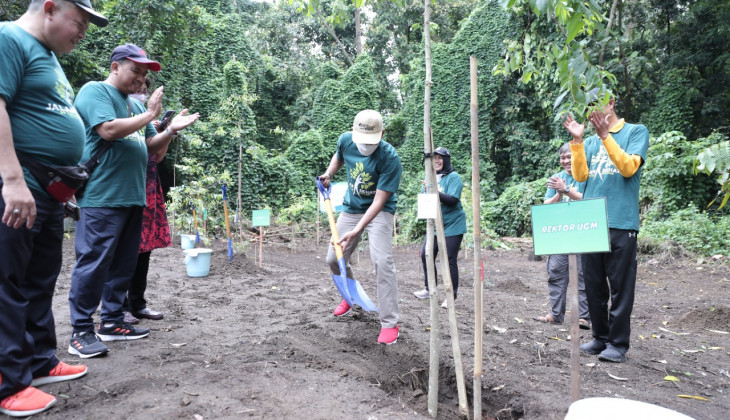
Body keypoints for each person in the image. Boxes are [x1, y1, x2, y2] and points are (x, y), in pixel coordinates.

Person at [0, 0, 107, 416]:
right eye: (78, 22)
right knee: (8, 280)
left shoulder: (47, 56)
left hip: (48, 192)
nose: (82, 33)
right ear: (49, 8)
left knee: (40, 279)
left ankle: (39, 360)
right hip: (18, 186)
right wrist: (11, 181)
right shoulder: (10, 38)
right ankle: (9, 383)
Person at [67, 44, 199, 358]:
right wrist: (153, 114)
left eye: (145, 74)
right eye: (135, 71)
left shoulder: (137, 108)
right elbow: (108, 130)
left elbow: (153, 150)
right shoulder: (95, 92)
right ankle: (81, 330)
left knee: (124, 264)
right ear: (115, 67)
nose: (141, 79)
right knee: (94, 262)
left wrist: (168, 131)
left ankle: (112, 322)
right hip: (102, 196)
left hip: (133, 196)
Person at [563, 89, 649, 363]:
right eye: (588, 107)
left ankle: (618, 344)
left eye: (597, 105)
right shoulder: (587, 141)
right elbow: (579, 175)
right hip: (592, 221)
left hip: (621, 221)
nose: (592, 112)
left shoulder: (636, 132)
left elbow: (628, 168)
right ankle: (600, 338)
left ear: (611, 104)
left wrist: (605, 137)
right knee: (594, 284)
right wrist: (577, 142)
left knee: (621, 286)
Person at [319, 109, 403, 345]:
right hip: (352, 207)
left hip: (380, 211)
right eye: (361, 141)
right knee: (334, 258)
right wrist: (328, 174)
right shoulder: (346, 140)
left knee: (382, 260)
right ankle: (349, 295)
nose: (364, 146)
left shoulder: (389, 157)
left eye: (370, 142)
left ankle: (389, 322)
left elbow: (379, 201)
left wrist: (357, 231)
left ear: (382, 134)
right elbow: (338, 157)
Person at [122, 77, 169, 325]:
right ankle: (120, 307)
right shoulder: (121, 111)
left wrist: (166, 131)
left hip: (148, 188)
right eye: (138, 88)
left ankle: (138, 303)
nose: (142, 92)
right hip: (124, 188)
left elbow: (158, 155)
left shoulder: (147, 120)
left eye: (145, 89)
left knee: (145, 249)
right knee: (124, 250)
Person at [534, 142, 590, 329]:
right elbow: (546, 205)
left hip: (583, 231)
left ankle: (584, 317)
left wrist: (566, 189)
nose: (566, 161)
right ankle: (556, 314)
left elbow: (588, 200)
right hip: (560, 233)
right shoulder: (556, 178)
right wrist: (559, 193)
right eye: (563, 158)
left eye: (569, 157)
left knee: (583, 275)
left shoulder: (586, 175)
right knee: (556, 272)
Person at [413, 146, 466, 309]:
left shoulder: (453, 177)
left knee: (449, 259)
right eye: (434, 158)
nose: (437, 161)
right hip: (435, 224)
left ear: (446, 160)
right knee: (426, 255)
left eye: (440, 158)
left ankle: (452, 296)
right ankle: (430, 289)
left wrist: (433, 190)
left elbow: (452, 200)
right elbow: (428, 199)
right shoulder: (430, 178)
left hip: (453, 225)